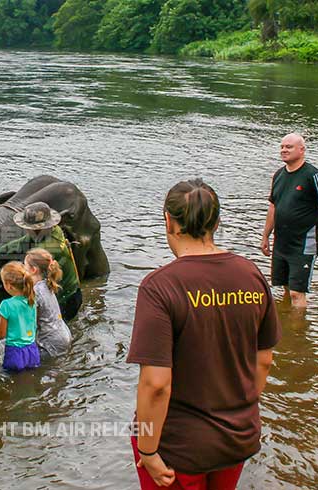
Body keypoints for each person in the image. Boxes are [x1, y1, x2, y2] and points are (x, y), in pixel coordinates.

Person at [127, 179, 280, 490]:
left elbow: (156, 384)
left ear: (168, 221)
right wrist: (237, 412)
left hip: (178, 447)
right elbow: (263, 360)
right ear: (217, 221)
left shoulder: (159, 287)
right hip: (236, 438)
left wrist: (148, 449)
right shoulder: (251, 274)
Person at [261, 133, 318, 310]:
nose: (283, 150)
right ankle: (286, 329)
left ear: (302, 150)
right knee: (285, 287)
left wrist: (311, 222)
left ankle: (299, 331)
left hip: (304, 243)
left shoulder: (312, 176)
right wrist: (265, 236)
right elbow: (273, 207)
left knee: (298, 292)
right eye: (282, 147)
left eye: (289, 147)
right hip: (281, 242)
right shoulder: (279, 175)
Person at [0, 202, 83, 321]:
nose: (27, 231)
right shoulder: (50, 230)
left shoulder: (46, 249)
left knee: (53, 327)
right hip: (57, 291)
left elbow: (24, 278)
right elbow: (24, 241)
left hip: (65, 298)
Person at [25, 248, 72, 358]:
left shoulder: (35, 292)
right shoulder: (47, 283)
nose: (23, 269)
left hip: (51, 344)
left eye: (24, 266)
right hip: (64, 334)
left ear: (33, 270)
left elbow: (32, 324)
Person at [0, 262, 41, 372]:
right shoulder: (32, 300)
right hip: (32, 350)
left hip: (15, 352)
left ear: (9, 285)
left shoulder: (6, 305)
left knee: (13, 380)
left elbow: (1, 334)